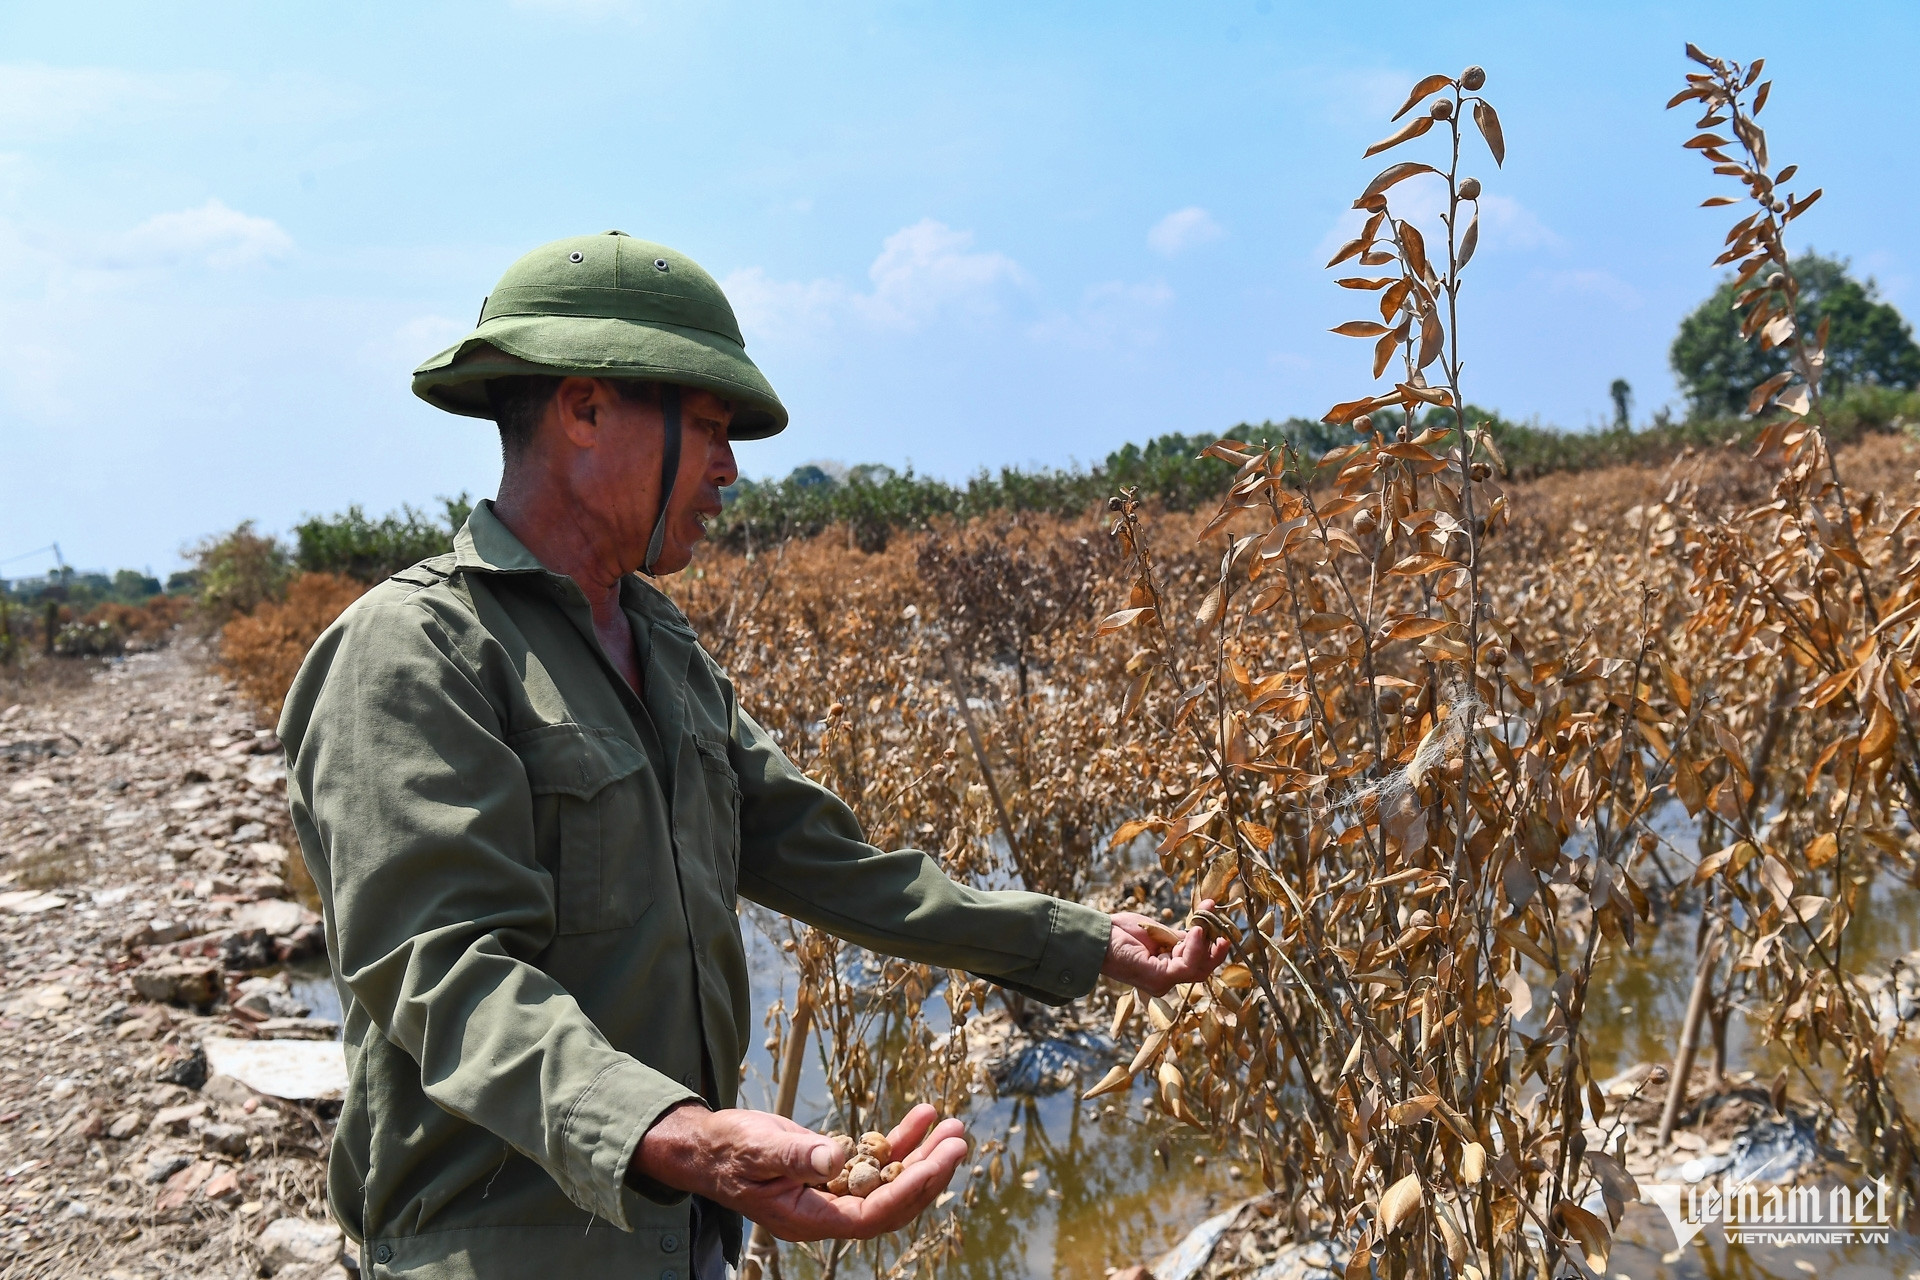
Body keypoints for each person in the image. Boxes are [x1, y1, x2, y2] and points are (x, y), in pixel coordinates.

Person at [279, 231, 1227, 1279]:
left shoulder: (663, 647)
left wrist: (1081, 940)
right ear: (585, 409)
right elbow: (442, 972)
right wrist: (686, 1134)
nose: (732, 469)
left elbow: (830, 862)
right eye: (712, 428)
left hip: (681, 1236)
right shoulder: (412, 649)